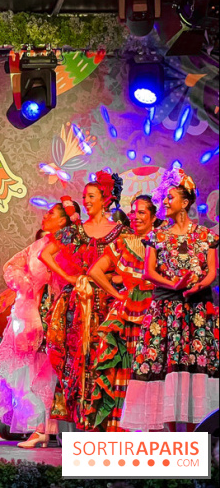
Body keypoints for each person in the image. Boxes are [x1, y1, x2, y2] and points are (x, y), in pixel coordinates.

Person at [121, 169, 219, 431]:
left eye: (170, 197)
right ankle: (172, 436)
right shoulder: (157, 236)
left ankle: (196, 435)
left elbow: (212, 271)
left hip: (195, 312)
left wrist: (199, 285)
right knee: (165, 367)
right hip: (165, 311)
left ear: (185, 202)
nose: (164, 201)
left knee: (194, 365)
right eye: (164, 197)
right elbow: (148, 272)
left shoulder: (205, 235)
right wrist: (173, 284)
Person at [40, 171, 129, 430]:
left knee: (106, 359)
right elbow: (46, 254)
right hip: (79, 302)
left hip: (109, 303)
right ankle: (82, 423)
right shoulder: (75, 231)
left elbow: (131, 263)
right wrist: (69, 276)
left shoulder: (121, 232)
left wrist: (117, 279)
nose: (86, 201)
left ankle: (106, 422)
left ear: (105, 198)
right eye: (84, 197)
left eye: (91, 196)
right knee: (78, 359)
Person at [0, 201, 78, 448]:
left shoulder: (69, 244)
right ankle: (41, 428)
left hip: (61, 308)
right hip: (40, 309)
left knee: (55, 369)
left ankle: (54, 429)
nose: (46, 216)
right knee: (38, 369)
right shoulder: (40, 244)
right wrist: (27, 285)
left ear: (63, 220)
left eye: (51, 213)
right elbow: (11, 265)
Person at [86, 195, 158, 432]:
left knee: (150, 369)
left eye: (142, 212)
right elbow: (95, 271)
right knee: (125, 369)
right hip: (127, 313)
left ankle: (151, 429)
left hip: (154, 312)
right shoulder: (122, 243)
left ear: (154, 217)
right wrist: (117, 295)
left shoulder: (161, 242)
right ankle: (123, 428)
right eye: (133, 212)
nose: (135, 217)